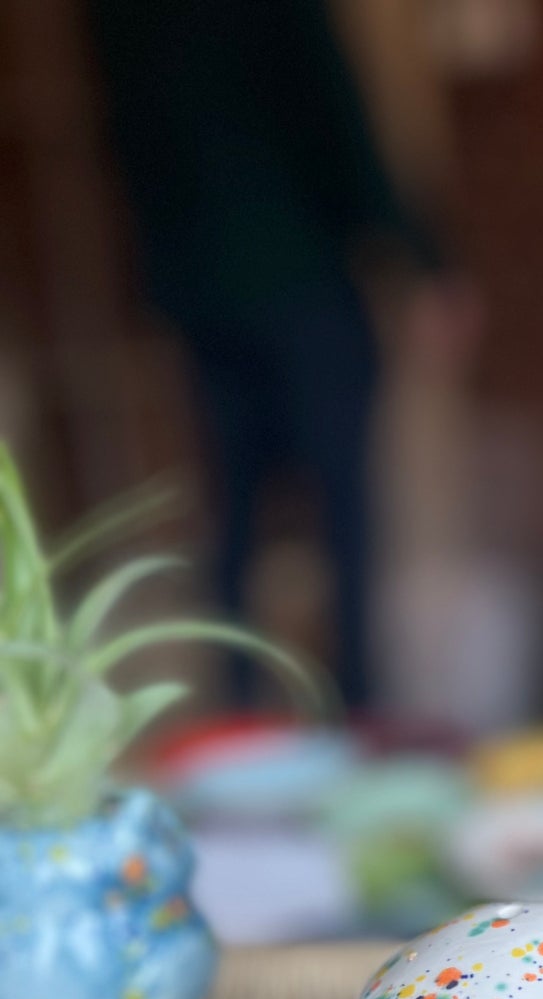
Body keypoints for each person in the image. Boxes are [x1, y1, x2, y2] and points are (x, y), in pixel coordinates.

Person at [83, 0, 453, 711]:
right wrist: (423, 260)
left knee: (235, 510)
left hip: (198, 290)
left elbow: (128, 147)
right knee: (342, 509)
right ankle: (353, 712)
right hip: (299, 280)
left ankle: (238, 712)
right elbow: (337, 122)